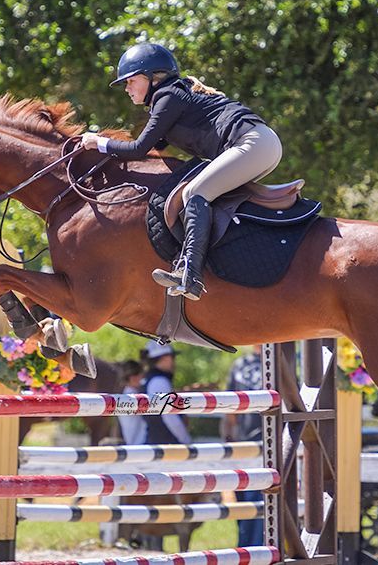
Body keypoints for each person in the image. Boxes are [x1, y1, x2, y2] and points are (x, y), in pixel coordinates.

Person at [80, 43, 284, 301]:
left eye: (131, 81)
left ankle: (191, 275)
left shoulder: (169, 96)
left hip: (252, 143)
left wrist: (98, 142)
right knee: (210, 194)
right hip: (260, 145)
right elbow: (151, 150)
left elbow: (139, 148)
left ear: (153, 77)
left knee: (195, 192)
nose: (127, 89)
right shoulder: (169, 99)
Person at [221, 344, 264, 547]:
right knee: (255, 501)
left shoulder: (239, 365)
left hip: (244, 442)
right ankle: (252, 549)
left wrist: (228, 439)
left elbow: (230, 410)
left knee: (246, 500)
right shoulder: (283, 367)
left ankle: (247, 548)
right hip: (263, 441)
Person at [141, 340, 191, 446]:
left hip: (156, 443)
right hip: (166, 446)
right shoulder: (159, 381)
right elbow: (170, 417)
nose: (173, 361)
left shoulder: (149, 379)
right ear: (165, 358)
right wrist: (186, 441)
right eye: (172, 357)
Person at [117, 359, 146, 446]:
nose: (142, 379)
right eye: (141, 375)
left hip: (135, 443)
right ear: (133, 378)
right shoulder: (131, 397)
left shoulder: (127, 395)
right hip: (139, 443)